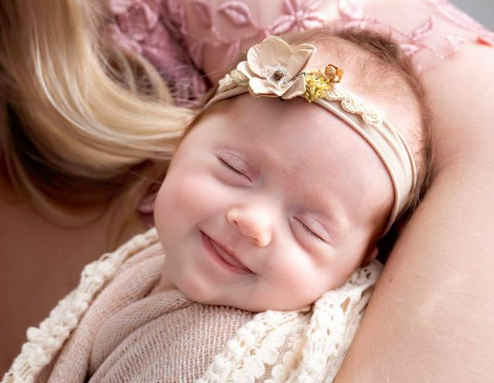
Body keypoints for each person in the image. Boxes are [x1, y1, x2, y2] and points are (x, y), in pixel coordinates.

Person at [1, 0, 494, 381]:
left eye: (308, 227)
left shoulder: (206, 354)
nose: (252, 222)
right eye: (235, 170)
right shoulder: (145, 269)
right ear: (184, 139)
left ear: (358, 265)